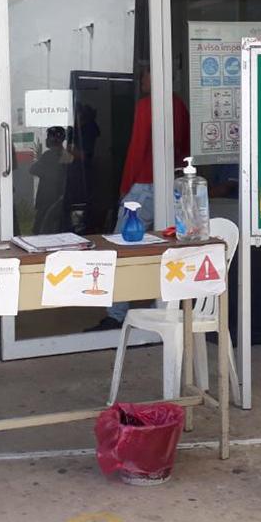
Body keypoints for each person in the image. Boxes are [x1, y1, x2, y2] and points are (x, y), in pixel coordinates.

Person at [87, 72, 190, 332]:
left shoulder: (148, 105)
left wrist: (125, 187)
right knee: (168, 250)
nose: (141, 81)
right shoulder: (177, 104)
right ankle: (163, 312)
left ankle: (116, 314)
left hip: (144, 185)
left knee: (121, 248)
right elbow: (187, 145)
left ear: (155, 79)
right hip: (173, 184)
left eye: (144, 76)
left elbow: (137, 148)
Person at [30, 127, 71, 234]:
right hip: (60, 200)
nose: (46, 140)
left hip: (47, 200)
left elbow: (34, 169)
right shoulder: (66, 155)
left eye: (48, 137)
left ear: (54, 139)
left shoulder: (49, 155)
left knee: (41, 231)